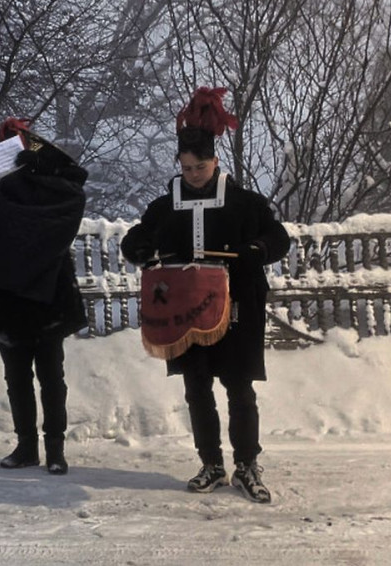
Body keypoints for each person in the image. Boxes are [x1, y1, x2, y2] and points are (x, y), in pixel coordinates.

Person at [120, 87, 291, 504]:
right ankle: (211, 463)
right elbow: (135, 240)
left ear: (215, 161)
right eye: (187, 167)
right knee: (196, 388)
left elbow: (278, 237)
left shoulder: (245, 202)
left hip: (237, 310)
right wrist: (139, 250)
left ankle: (247, 465)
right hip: (185, 313)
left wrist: (258, 251)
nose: (194, 174)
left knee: (239, 388)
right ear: (179, 165)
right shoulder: (164, 207)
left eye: (200, 167)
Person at [0, 119, 89, 475]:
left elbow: (71, 193)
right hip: (12, 298)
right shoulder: (0, 195)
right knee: (17, 378)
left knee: (50, 377)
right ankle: (27, 446)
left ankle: (55, 450)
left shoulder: (57, 195)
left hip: (46, 299)